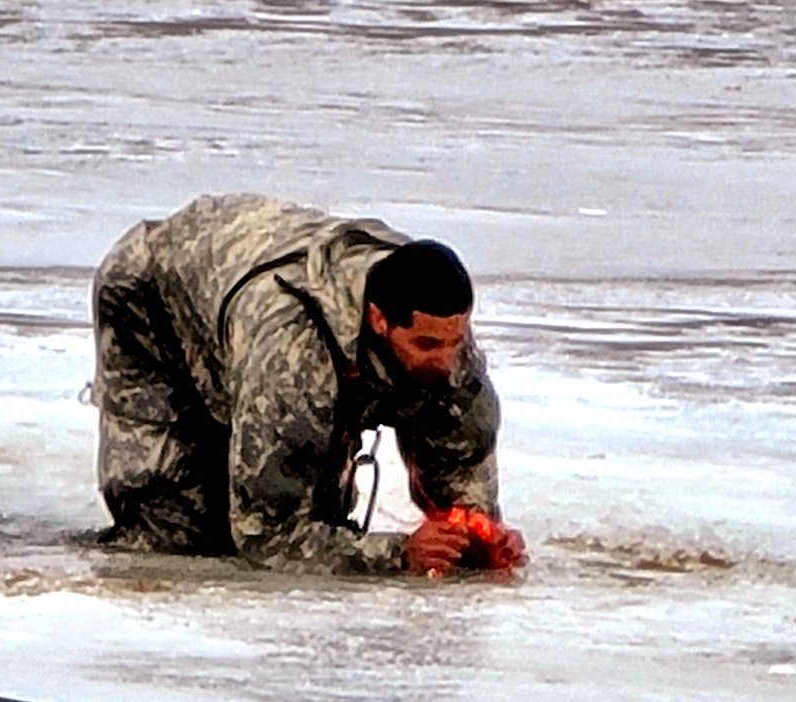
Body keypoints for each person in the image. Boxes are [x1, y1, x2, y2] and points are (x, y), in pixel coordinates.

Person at [91, 193, 526, 575]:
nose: (446, 363)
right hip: (153, 299)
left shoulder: (445, 341)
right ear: (378, 319)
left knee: (326, 511)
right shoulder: (293, 359)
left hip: (257, 283)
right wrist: (395, 556)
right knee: (178, 532)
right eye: (427, 345)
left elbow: (461, 473)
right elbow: (268, 534)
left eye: (454, 342)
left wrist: (480, 534)